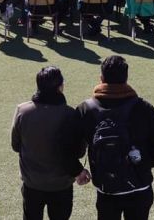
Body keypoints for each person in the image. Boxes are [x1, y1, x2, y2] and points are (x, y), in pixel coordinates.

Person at [77, 55, 154, 220]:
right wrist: (146, 163)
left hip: (106, 186)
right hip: (140, 185)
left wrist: (77, 170)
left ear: (102, 78)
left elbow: (73, 147)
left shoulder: (86, 109)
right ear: (126, 78)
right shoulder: (143, 107)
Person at [12, 67, 89, 220]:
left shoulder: (23, 111)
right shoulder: (70, 114)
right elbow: (79, 151)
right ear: (60, 87)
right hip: (61, 184)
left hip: (32, 183)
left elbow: (15, 145)